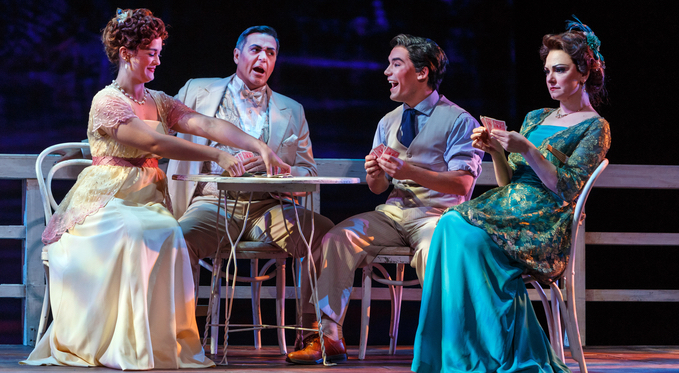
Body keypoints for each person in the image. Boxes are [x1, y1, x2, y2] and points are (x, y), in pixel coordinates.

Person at [21, 9, 289, 370]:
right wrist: (217, 156)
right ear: (127, 52)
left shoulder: (159, 100)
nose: (158, 61)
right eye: (151, 52)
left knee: (168, 232)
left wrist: (259, 146)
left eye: (160, 52)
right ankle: (122, 344)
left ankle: (155, 342)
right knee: (135, 234)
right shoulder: (107, 101)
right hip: (106, 201)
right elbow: (155, 144)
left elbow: (205, 123)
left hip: (146, 200)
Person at [412, 18, 610, 373]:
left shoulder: (595, 126)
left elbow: (566, 188)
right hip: (508, 208)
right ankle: (458, 351)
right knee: (448, 226)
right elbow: (508, 183)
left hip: (543, 223)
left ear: (582, 73)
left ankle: (490, 352)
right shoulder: (536, 116)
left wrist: (527, 148)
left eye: (560, 70)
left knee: (457, 227)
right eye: (547, 70)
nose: (550, 78)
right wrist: (496, 152)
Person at [286, 34, 483, 364]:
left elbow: (462, 185)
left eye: (396, 64)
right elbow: (378, 188)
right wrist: (375, 173)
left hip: (437, 215)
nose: (386, 72)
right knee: (337, 237)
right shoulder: (388, 121)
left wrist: (407, 170)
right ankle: (328, 337)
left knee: (435, 248)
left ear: (422, 72)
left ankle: (449, 342)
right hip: (393, 213)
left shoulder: (460, 120)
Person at [165, 25, 334, 346]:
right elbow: (159, 130)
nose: (263, 58)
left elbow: (307, 172)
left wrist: (280, 170)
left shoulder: (292, 110)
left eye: (270, 53)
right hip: (211, 203)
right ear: (237, 55)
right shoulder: (197, 91)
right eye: (256, 49)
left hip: (267, 207)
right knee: (179, 239)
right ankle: (180, 338)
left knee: (323, 234)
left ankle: (312, 333)